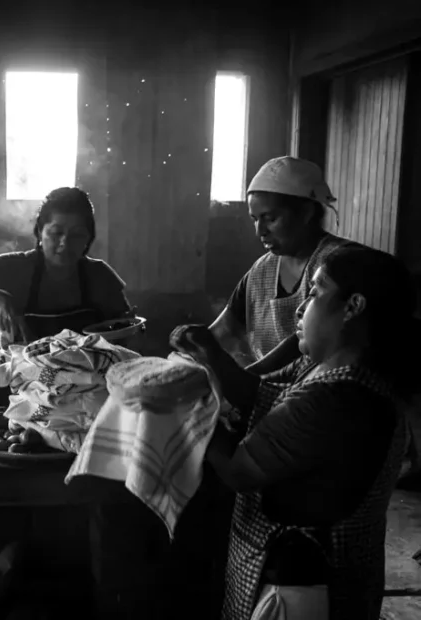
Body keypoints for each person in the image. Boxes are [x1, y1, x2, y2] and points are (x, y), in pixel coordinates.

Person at [171, 245, 418, 620]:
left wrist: (189, 412)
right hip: (333, 569)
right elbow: (260, 393)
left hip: (304, 583)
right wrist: (211, 355)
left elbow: (238, 470)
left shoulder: (339, 399)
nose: (301, 308)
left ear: (352, 306)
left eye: (315, 293)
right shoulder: (330, 366)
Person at [0, 187, 133, 407]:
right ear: (40, 232)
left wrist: (126, 327)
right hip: (17, 387)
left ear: (88, 238)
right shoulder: (17, 267)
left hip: (81, 393)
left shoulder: (99, 276)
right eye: (56, 233)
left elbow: (123, 335)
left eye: (76, 235)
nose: (64, 243)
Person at [210, 156, 358, 375]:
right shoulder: (261, 271)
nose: (260, 231)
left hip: (320, 386)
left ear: (306, 213)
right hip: (264, 386)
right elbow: (224, 330)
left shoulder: (341, 264)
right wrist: (192, 346)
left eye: (270, 219)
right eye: (255, 219)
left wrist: (246, 379)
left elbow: (304, 350)